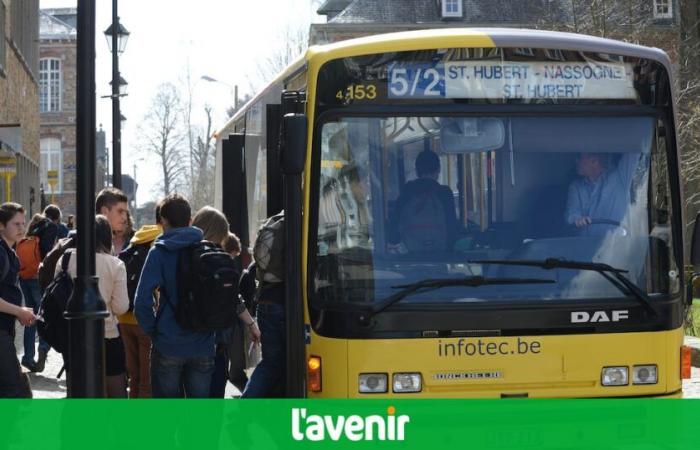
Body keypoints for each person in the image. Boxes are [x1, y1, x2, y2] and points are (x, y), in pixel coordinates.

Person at [134, 194, 214, 398]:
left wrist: (155, 331)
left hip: (168, 342)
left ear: (163, 222)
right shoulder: (206, 249)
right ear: (190, 220)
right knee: (198, 419)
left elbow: (142, 301)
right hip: (202, 343)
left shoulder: (159, 252)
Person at [191, 206, 260, 398]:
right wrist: (252, 324)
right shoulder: (218, 260)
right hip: (215, 343)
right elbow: (233, 298)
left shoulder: (183, 254)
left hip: (187, 343)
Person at [58, 215, 129, 397]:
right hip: (108, 336)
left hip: (74, 336)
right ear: (107, 237)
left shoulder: (66, 259)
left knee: (79, 391)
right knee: (116, 395)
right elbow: (121, 307)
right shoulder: (116, 264)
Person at [117, 207, 162, 398]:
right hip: (144, 319)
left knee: (134, 376)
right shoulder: (158, 241)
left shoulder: (135, 243)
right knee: (147, 378)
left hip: (124, 319)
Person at [242, 213, 287, 398]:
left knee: (271, 362)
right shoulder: (299, 222)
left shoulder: (276, 222)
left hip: (265, 301)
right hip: (283, 304)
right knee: (280, 362)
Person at [389, 149, 459, 252]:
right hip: (440, 257)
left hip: (411, 257)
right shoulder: (444, 193)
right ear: (438, 169)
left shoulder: (407, 192)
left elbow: (393, 235)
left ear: (417, 171)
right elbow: (452, 230)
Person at [0, 203, 35, 397]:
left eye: (23, 223)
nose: (22, 228)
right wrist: (19, 311)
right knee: (15, 391)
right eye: (16, 224)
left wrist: (20, 310)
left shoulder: (10, 252)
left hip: (5, 330)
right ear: (1, 225)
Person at [565, 152, 642, 236]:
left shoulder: (620, 176)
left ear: (594, 161)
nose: (576, 161)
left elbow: (634, 150)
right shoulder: (576, 187)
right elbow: (572, 214)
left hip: (617, 244)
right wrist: (577, 220)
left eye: (579, 157)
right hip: (586, 245)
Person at [18, 214, 52, 372]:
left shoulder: (25, 238)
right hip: (37, 279)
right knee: (43, 316)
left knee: (30, 318)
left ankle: (27, 357)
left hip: (24, 278)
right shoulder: (43, 237)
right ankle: (43, 347)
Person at [95, 187, 129, 254]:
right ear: (104, 211)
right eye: (120, 211)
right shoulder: (86, 242)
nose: (125, 218)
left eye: (126, 212)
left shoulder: (136, 243)